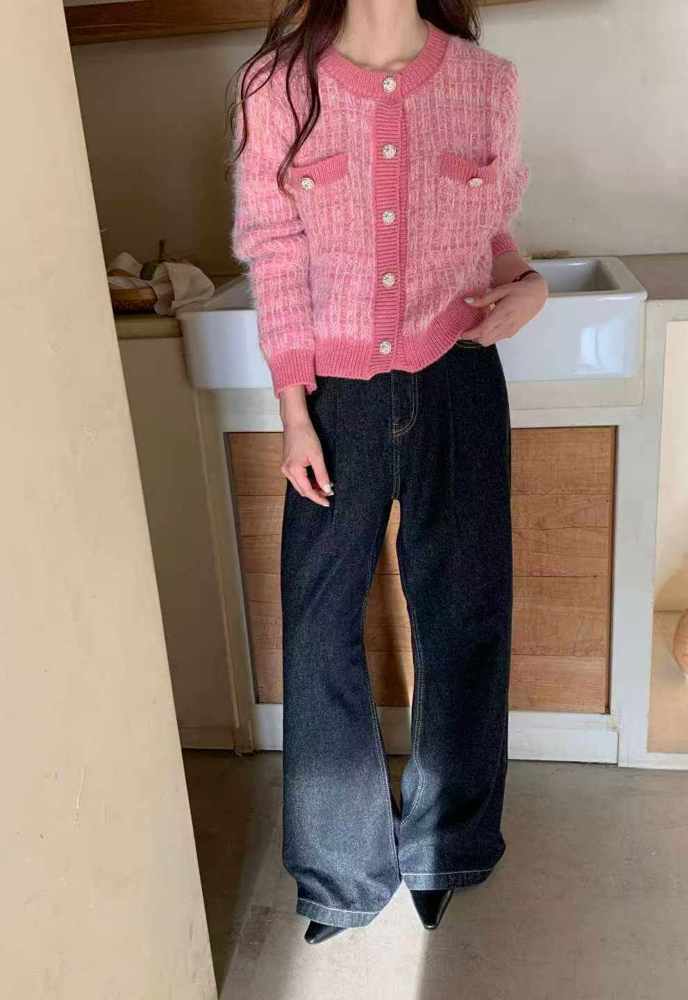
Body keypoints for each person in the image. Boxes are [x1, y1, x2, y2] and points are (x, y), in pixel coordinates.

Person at [228, 0, 548, 945]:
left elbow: (494, 236)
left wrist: (529, 284)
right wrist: (294, 411)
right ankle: (341, 870)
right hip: (334, 399)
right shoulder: (277, 86)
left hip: (459, 379)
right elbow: (272, 249)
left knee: (467, 612)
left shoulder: (487, 84)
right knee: (318, 621)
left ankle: (449, 844)